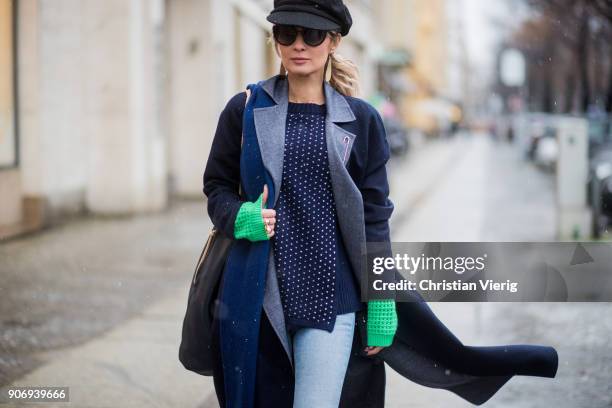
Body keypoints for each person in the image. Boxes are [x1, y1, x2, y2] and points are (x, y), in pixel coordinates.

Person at [203, 1, 397, 406]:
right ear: (275, 41)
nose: (298, 44)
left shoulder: (361, 120)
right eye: (286, 33)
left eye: (312, 35)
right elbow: (216, 187)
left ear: (333, 41)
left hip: (332, 295)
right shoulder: (245, 110)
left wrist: (382, 294)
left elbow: (375, 216)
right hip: (257, 294)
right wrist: (240, 217)